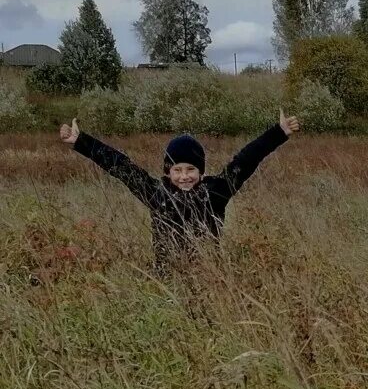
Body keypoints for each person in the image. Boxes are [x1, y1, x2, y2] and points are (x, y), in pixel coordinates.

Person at [60, 110, 299, 271]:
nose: (184, 176)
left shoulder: (215, 192)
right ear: (168, 172)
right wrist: (82, 142)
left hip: (209, 275)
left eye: (191, 169)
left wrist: (278, 133)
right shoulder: (156, 194)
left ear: (201, 172)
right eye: (177, 170)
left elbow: (247, 159)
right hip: (167, 275)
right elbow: (120, 166)